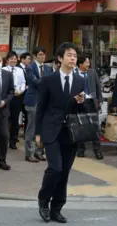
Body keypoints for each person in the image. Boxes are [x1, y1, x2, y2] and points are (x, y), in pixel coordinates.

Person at [36, 42, 85, 223]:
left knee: (64, 172)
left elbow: (81, 108)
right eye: (69, 55)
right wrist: (38, 132)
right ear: (60, 58)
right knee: (55, 168)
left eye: (75, 56)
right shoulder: (48, 80)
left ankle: (57, 208)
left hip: (70, 132)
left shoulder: (80, 80)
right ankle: (43, 199)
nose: (73, 58)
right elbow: (40, 108)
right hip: (51, 129)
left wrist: (80, 101)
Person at [23, 47, 53, 163]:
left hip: (44, 101)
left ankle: (39, 151)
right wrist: (46, 84)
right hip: (33, 101)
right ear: (35, 56)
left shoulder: (48, 68)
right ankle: (28, 153)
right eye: (40, 55)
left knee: (42, 128)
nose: (42, 57)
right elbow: (33, 81)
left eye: (44, 55)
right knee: (31, 128)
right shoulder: (30, 67)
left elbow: (50, 81)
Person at [76, 54, 103, 160]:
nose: (89, 64)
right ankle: (80, 150)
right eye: (87, 62)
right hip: (80, 102)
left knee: (95, 127)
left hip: (91, 102)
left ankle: (97, 150)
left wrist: (100, 100)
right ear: (80, 64)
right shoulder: (74, 73)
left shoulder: (92, 72)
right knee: (80, 126)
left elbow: (98, 87)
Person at [2, 51, 26, 150]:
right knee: (5, 119)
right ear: (7, 60)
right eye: (11, 58)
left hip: (17, 97)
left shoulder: (20, 70)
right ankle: (3, 139)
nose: (13, 60)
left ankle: (13, 141)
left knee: (15, 120)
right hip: (6, 98)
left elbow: (23, 82)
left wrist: (21, 91)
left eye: (15, 59)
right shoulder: (3, 70)